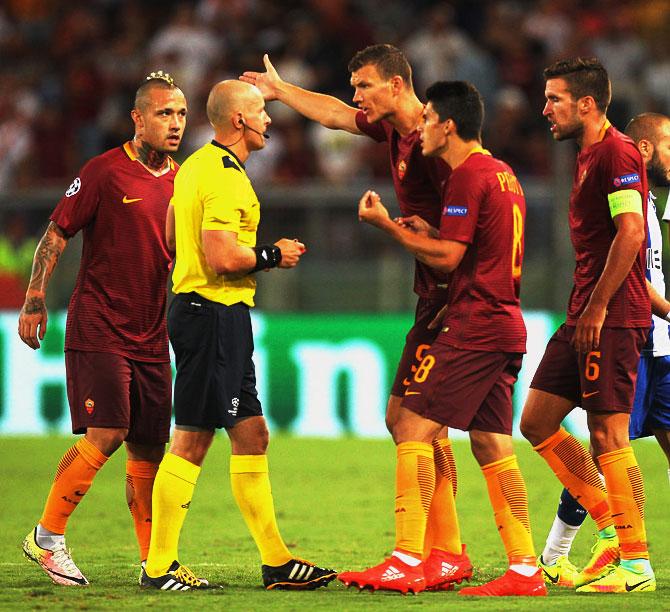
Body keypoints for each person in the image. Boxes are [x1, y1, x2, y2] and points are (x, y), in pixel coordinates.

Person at [241, 44, 471, 588]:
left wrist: (404, 229)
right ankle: (449, 550)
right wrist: (280, 92)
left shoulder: (438, 142)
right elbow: (336, 114)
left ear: (396, 85)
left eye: (364, 84)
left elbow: (464, 229)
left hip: (460, 295)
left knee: (434, 426)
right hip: (434, 294)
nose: (356, 96)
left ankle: (427, 554)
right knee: (414, 423)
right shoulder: (394, 129)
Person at [338, 81, 546, 597]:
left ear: (448, 125)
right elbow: (476, 246)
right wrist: (429, 231)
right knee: (491, 441)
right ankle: (523, 568)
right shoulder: (503, 174)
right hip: (505, 322)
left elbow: (451, 260)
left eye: (428, 119)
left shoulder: (466, 176)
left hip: (473, 323)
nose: (420, 129)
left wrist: (388, 227)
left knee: (412, 424)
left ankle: (408, 558)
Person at [141, 80, 336, 591]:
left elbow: (169, 235)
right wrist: (274, 254)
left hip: (214, 313)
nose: (269, 119)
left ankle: (276, 562)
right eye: (260, 111)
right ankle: (158, 566)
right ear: (238, 121)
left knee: (252, 433)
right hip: (212, 314)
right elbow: (223, 256)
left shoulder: (195, 168)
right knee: (191, 440)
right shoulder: (226, 178)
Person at [20, 71, 187, 586]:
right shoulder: (104, 171)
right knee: (108, 432)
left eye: (181, 113)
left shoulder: (184, 179)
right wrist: (34, 297)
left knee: (148, 449)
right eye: (164, 113)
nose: (175, 123)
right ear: (138, 119)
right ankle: (46, 538)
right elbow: (57, 232)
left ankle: (153, 564)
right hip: (99, 325)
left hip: (152, 334)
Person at [519, 57, 656, 594]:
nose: (544, 109)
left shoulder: (618, 151)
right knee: (536, 421)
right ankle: (613, 527)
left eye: (553, 99)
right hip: (584, 312)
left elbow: (630, 233)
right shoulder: (586, 155)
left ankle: (635, 564)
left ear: (587, 104)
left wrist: (599, 307)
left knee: (607, 433)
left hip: (612, 316)